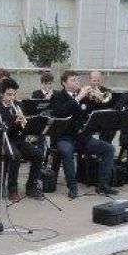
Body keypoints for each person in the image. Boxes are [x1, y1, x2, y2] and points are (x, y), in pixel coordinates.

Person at [50, 70, 119, 199]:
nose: (76, 82)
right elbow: (60, 112)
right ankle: (72, 186)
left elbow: (96, 111)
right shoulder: (57, 96)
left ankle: (103, 185)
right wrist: (78, 98)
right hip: (64, 137)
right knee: (66, 151)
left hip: (83, 137)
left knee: (109, 149)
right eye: (72, 80)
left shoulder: (85, 96)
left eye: (77, 79)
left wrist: (96, 96)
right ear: (64, 83)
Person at [0, 78, 44, 201]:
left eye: (14, 94)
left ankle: (31, 186)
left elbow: (24, 129)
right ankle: (12, 188)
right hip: (2, 141)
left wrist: (26, 124)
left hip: (18, 140)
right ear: (2, 94)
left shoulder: (19, 105)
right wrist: (13, 121)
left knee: (38, 154)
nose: (12, 98)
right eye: (9, 94)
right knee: (15, 156)